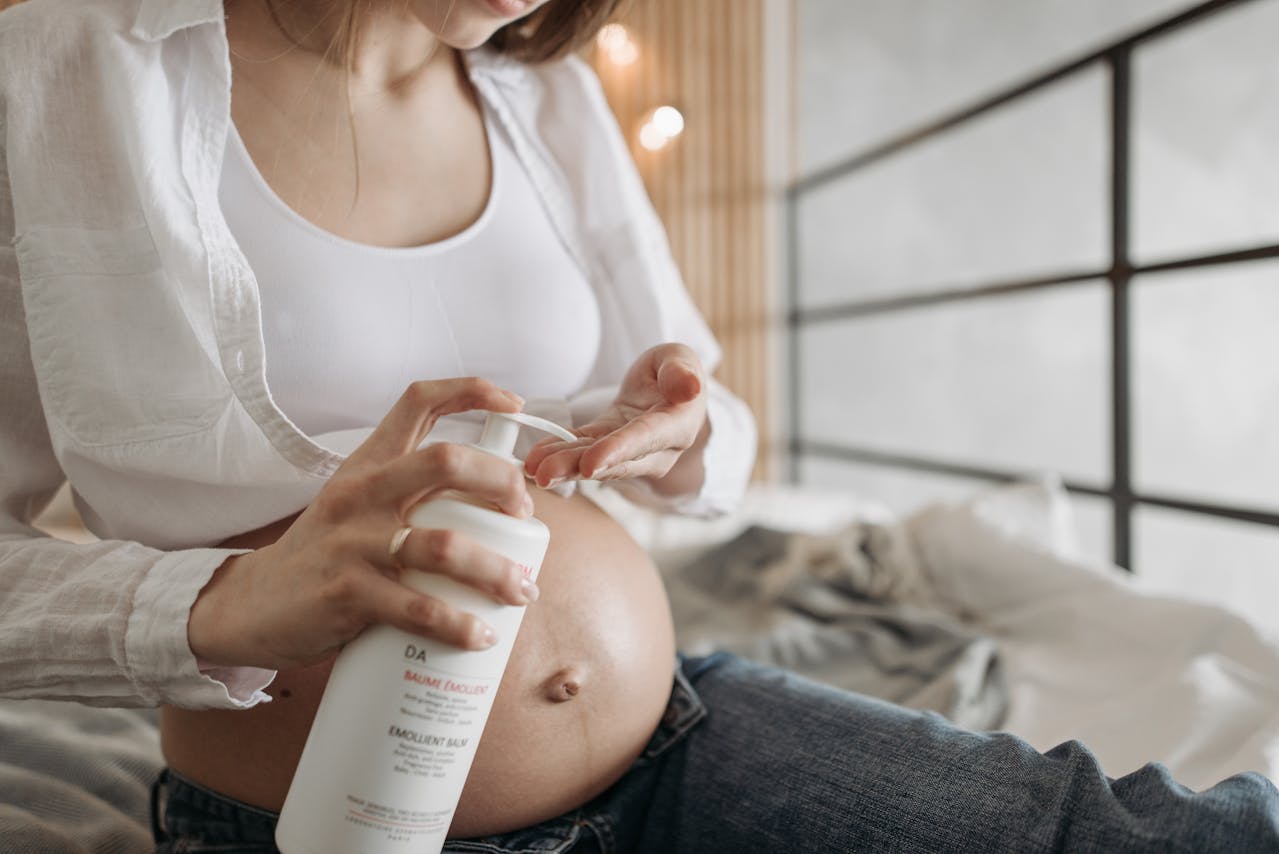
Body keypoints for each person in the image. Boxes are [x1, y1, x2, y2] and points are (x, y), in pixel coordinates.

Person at [0, 0, 1275, 851]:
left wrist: (678, 425)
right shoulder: (55, 79)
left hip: (675, 726)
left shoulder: (543, 95)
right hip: (337, 820)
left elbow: (697, 404)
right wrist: (218, 605)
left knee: (1111, 826)